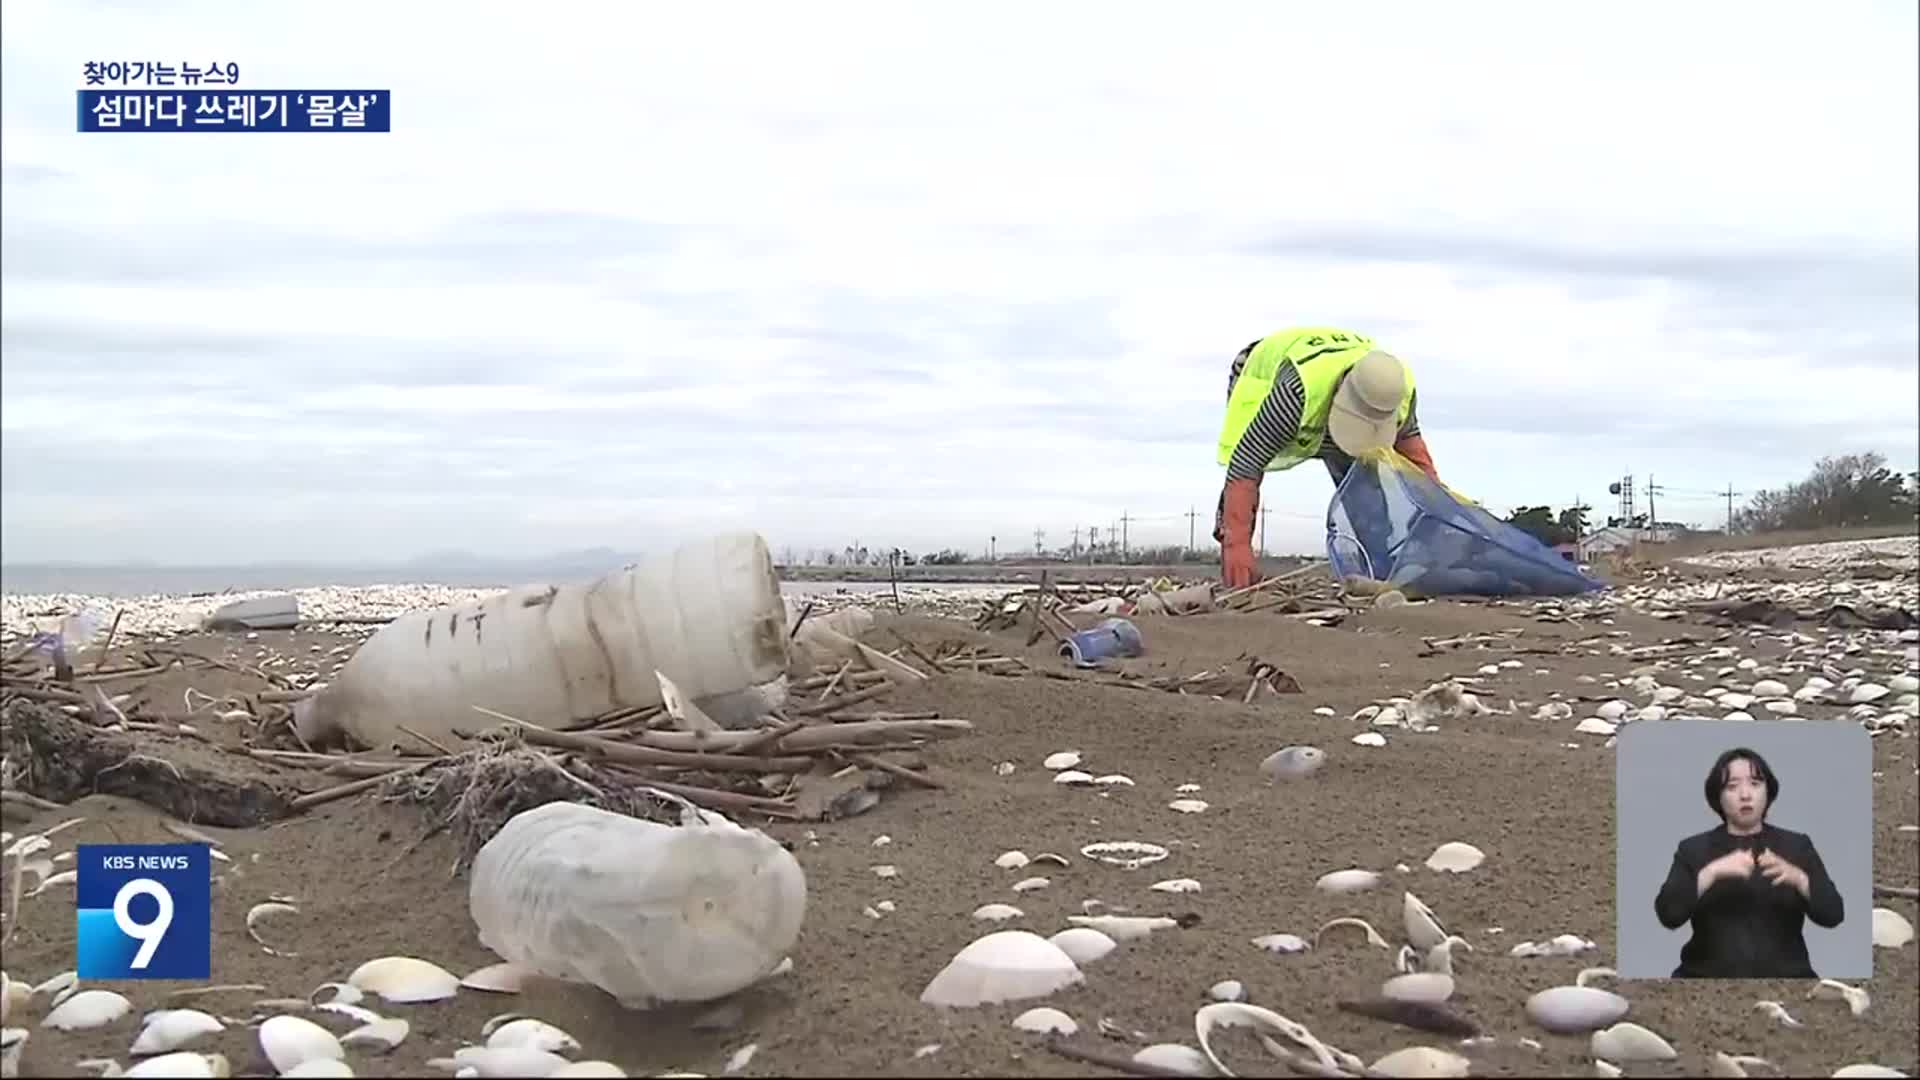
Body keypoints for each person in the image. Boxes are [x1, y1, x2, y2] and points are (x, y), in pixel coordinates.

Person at [1211, 327, 1442, 589]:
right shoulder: (1295, 393)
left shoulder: (1397, 389)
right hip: (1260, 376)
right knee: (1243, 476)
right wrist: (1236, 542)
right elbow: (1246, 464)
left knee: (1362, 485)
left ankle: (1377, 568)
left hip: (1335, 387)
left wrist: (1441, 517)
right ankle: (1236, 569)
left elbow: (1418, 465)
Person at [1652, 746, 1845, 978]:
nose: (1745, 794)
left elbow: (1833, 914)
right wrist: (1711, 873)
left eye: (1755, 784)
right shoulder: (1693, 849)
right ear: (1718, 797)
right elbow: (1669, 915)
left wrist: (1799, 879)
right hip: (1705, 979)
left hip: (1788, 979)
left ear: (1768, 791)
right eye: (1732, 787)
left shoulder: (1796, 846)